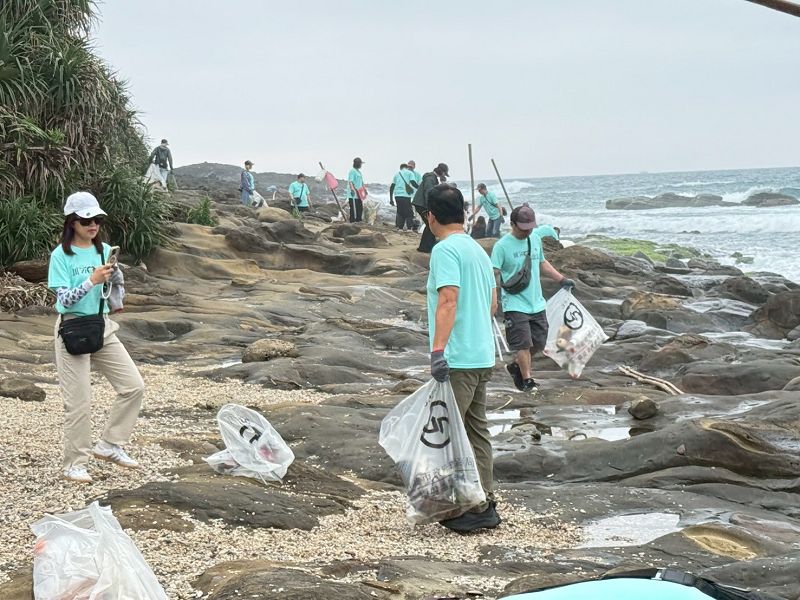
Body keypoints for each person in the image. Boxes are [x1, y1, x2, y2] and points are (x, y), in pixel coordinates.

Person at [47, 192, 145, 483]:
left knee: (133, 386)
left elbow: (110, 289)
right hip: (72, 329)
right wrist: (91, 280)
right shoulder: (60, 255)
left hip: (101, 325)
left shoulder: (103, 251)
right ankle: (74, 464)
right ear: (72, 222)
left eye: (98, 220)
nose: (93, 225)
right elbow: (64, 300)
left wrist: (113, 282)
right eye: (86, 220)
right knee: (79, 403)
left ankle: (110, 445)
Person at [425, 184, 501, 533]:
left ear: (431, 217)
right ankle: (484, 500)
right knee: (476, 429)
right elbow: (492, 304)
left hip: (458, 358)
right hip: (482, 354)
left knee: (450, 434)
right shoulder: (477, 250)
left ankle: (470, 507)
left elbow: (448, 300)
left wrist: (438, 351)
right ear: (463, 213)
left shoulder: (445, 250)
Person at [491, 203, 574, 392]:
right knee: (523, 343)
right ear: (512, 224)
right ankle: (528, 380)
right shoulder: (501, 246)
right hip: (514, 303)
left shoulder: (534, 239)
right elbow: (492, 274)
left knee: (539, 342)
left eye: (530, 227)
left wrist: (562, 279)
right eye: (523, 228)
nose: (527, 231)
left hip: (537, 303)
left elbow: (542, 263)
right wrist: (493, 301)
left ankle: (515, 367)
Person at [412, 162, 449, 253]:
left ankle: (426, 246)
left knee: (430, 225)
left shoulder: (432, 177)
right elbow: (428, 193)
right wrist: (431, 207)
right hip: (422, 204)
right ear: (441, 172)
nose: (444, 176)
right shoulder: (430, 178)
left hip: (421, 203)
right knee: (431, 225)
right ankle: (425, 247)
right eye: (444, 174)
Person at [389, 163, 418, 230]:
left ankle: (400, 228)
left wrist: (391, 199)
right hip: (406, 195)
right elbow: (413, 182)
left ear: (400, 168)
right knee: (409, 212)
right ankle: (409, 228)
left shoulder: (397, 174)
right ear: (407, 167)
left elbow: (392, 187)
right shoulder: (410, 173)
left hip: (397, 195)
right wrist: (420, 188)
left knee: (400, 211)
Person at [346, 157, 365, 223]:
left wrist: (364, 189)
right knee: (354, 208)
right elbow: (351, 181)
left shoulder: (359, 172)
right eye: (360, 163)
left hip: (359, 193)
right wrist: (352, 189)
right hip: (353, 194)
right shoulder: (352, 171)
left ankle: (358, 220)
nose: (361, 165)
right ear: (357, 164)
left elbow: (361, 182)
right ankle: (352, 221)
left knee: (360, 208)